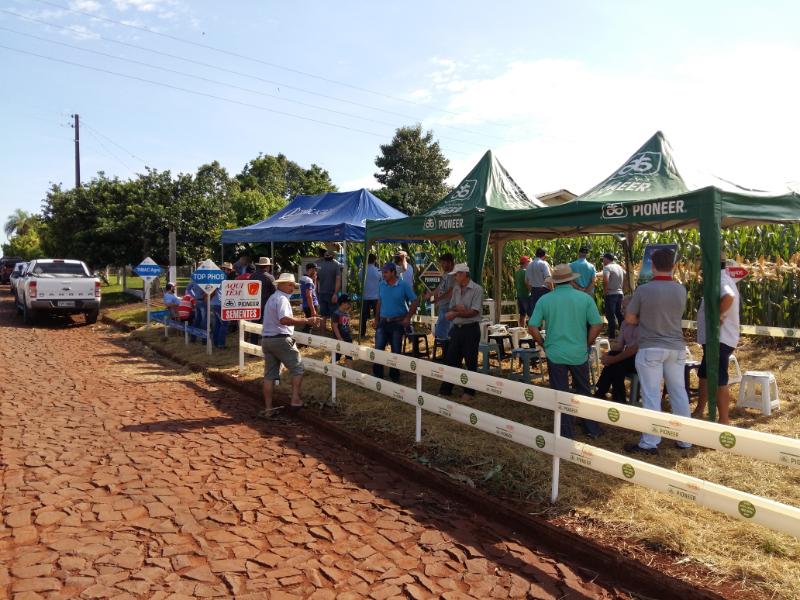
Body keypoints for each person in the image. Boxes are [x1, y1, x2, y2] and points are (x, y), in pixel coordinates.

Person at [623, 248, 691, 455]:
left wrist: (645, 318)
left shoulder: (644, 290)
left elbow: (630, 318)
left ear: (652, 265)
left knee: (651, 394)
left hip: (651, 347)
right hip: (676, 348)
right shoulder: (681, 290)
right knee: (679, 392)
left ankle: (650, 442)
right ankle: (686, 439)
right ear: (673, 266)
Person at [528, 264, 604, 439]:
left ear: (554, 282)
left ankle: (565, 433)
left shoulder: (545, 300)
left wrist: (543, 344)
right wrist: (587, 342)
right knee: (584, 391)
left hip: (555, 353)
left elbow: (532, 327)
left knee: (560, 394)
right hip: (578, 352)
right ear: (572, 280)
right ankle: (592, 428)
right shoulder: (584, 298)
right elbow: (597, 324)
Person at [260, 273, 321, 419]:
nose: (293, 287)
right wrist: (306, 320)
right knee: (298, 368)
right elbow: (284, 320)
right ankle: (295, 399)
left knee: (269, 376)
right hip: (280, 339)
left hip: (267, 340)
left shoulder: (272, 298)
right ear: (281, 285)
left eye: (293, 285)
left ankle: (268, 409)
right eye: (290, 285)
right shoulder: (281, 299)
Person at [692, 253, 741, 424]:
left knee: (719, 378)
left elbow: (729, 297)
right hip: (715, 339)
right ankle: (699, 410)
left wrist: (718, 315)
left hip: (720, 339)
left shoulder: (720, 280)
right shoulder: (720, 278)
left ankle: (724, 420)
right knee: (704, 374)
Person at [438, 264, 484, 400]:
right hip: (457, 329)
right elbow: (452, 305)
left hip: (471, 329)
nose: (455, 277)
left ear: (464, 274)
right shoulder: (457, 288)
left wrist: (456, 313)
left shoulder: (477, 289)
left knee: (471, 362)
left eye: (456, 275)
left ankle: (469, 392)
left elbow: (474, 312)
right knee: (451, 360)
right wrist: (458, 309)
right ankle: (446, 390)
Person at [372, 262, 418, 383]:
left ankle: (394, 375)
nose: (383, 274)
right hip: (383, 322)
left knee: (396, 351)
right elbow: (379, 302)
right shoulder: (381, 284)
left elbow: (415, 300)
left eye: (386, 272)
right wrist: (376, 319)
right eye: (383, 272)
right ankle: (378, 375)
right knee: (378, 348)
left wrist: (408, 318)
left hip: (397, 323)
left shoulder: (403, 285)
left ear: (393, 272)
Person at [594, 296, 638, 404]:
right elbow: (619, 345)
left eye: (624, 308)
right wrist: (608, 354)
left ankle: (602, 392)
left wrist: (612, 359)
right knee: (615, 363)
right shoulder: (624, 324)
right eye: (621, 307)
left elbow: (634, 349)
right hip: (627, 357)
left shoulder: (642, 325)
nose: (621, 310)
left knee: (615, 364)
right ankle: (617, 398)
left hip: (640, 359)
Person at [422, 253, 455, 343]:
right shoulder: (445, 274)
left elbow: (451, 292)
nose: (442, 265)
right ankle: (445, 354)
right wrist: (429, 295)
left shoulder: (453, 275)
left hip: (449, 308)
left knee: (443, 334)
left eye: (443, 263)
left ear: (450, 263)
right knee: (441, 335)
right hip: (443, 307)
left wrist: (438, 299)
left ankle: (447, 354)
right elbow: (439, 288)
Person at [249, 257, 276, 343]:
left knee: (254, 327)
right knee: (267, 327)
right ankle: (267, 346)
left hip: (254, 305)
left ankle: (252, 349)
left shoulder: (252, 276)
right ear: (267, 267)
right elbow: (274, 292)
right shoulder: (270, 277)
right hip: (266, 305)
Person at [317, 250, 342, 334]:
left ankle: (322, 335)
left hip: (321, 293)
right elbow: (338, 280)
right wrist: (335, 293)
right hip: (332, 294)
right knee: (333, 316)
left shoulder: (318, 263)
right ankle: (334, 335)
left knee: (323, 316)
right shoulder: (336, 264)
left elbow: (316, 280)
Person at [601, 253, 625, 338]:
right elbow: (625, 276)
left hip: (611, 294)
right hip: (620, 294)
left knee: (610, 315)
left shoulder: (607, 268)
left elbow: (605, 279)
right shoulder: (619, 267)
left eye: (603, 259)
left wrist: (606, 291)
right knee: (619, 314)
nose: (602, 261)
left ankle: (612, 335)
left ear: (607, 259)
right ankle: (623, 335)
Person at [360, 253, 381, 337]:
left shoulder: (363, 270)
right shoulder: (378, 271)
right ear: (375, 260)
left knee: (363, 317)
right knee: (377, 316)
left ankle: (362, 333)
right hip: (376, 297)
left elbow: (359, 278)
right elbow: (382, 280)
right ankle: (378, 332)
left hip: (365, 296)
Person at [526, 248, 552, 312]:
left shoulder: (529, 265)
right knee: (546, 312)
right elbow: (548, 279)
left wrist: (531, 290)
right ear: (544, 255)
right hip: (544, 290)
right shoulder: (543, 264)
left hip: (534, 290)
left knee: (536, 312)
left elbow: (526, 281)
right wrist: (552, 290)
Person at [187, 262, 208, 343]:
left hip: (197, 301)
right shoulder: (205, 276)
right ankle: (204, 340)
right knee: (204, 321)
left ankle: (193, 338)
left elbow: (188, 289)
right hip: (203, 301)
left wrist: (194, 296)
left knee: (197, 320)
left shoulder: (194, 276)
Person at [332, 295, 354, 368]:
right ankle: (333, 370)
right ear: (343, 303)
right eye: (348, 303)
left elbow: (347, 324)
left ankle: (349, 371)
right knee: (337, 356)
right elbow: (335, 327)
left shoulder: (346, 313)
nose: (349, 305)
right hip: (340, 339)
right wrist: (339, 337)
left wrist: (350, 331)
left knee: (349, 355)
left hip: (348, 337)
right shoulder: (336, 313)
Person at [299, 263, 319, 334]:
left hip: (306, 304)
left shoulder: (302, 278)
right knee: (310, 324)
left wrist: (314, 280)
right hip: (311, 304)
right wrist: (313, 310)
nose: (316, 272)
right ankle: (303, 342)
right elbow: (309, 295)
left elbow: (313, 290)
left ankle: (304, 342)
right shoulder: (308, 281)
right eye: (315, 270)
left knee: (309, 323)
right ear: (311, 269)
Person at [515, 256, 532, 327]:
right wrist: (532, 291)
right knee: (531, 314)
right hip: (526, 295)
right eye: (529, 262)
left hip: (519, 295)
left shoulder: (517, 272)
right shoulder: (525, 272)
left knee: (522, 314)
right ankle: (531, 331)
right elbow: (527, 283)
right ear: (525, 263)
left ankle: (522, 330)